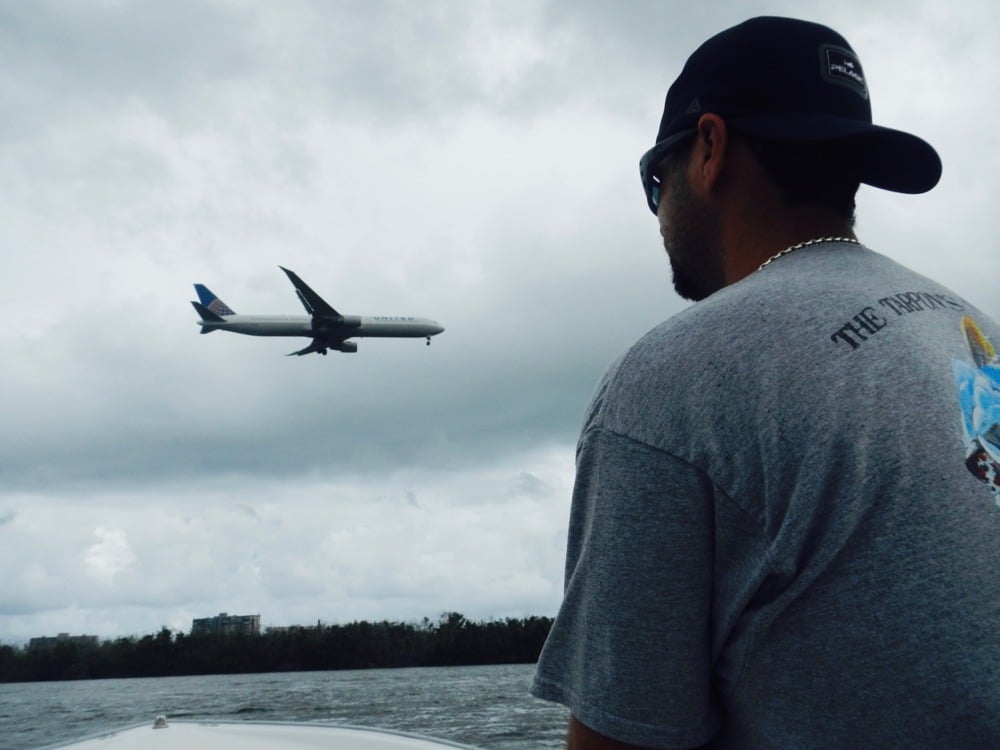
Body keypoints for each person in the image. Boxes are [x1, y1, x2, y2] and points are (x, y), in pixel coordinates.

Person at [531, 16, 1000, 749]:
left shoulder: (673, 379)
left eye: (659, 180)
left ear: (710, 149)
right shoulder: (980, 335)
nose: (658, 216)